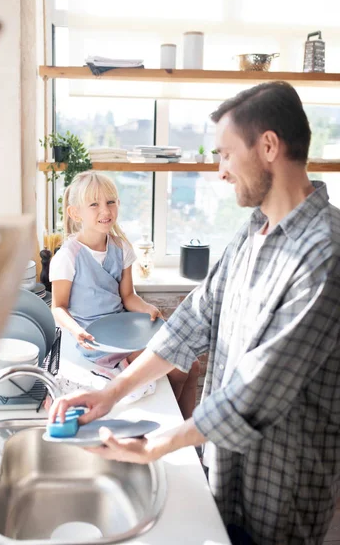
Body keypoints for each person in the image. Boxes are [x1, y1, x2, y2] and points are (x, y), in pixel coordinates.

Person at [50, 82, 340, 545]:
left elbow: (259, 389)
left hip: (283, 480)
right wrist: (113, 394)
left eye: (226, 154)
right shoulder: (254, 232)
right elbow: (194, 319)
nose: (219, 171)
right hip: (224, 466)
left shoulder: (325, 251)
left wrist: (158, 445)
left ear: (268, 146)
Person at [49, 170, 200, 419]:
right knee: (179, 366)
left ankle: (184, 429)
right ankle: (172, 422)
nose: (105, 210)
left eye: (110, 202)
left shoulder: (121, 248)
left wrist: (146, 308)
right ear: (75, 213)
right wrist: (77, 331)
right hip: (95, 339)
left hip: (124, 331)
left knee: (192, 365)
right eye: (94, 204)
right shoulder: (67, 256)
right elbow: (58, 307)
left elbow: (128, 296)